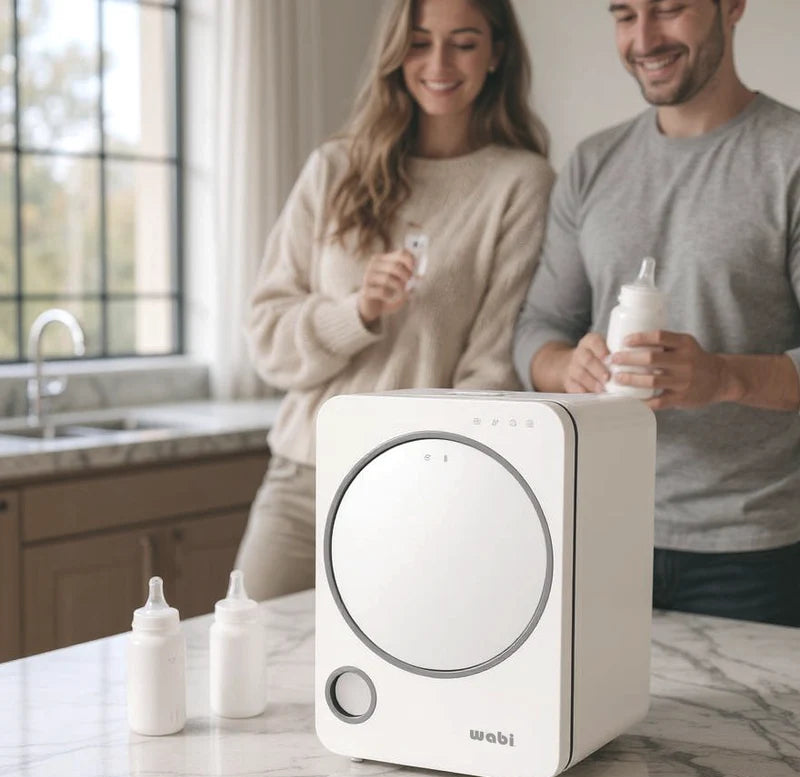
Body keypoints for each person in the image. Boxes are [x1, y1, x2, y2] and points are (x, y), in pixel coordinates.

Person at [237, 0, 554, 600]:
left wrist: (422, 481)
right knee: (247, 661)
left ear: (497, 53)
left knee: (393, 685)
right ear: (394, 53)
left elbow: (491, 369)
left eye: (463, 42)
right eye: (418, 42)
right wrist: (354, 313)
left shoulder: (520, 183)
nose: (438, 62)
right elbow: (266, 337)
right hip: (304, 478)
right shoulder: (333, 169)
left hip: (422, 489)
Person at [514, 0, 800, 627]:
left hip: (750, 551)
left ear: (733, 8)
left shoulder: (790, 157)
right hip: (594, 530)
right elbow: (537, 329)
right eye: (624, 15)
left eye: (669, 9)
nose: (644, 38)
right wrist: (567, 368)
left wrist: (724, 376)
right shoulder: (592, 165)